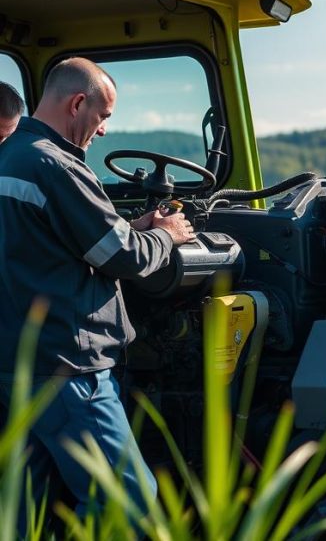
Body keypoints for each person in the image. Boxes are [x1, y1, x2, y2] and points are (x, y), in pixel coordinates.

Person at [0, 57, 195, 528]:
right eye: (103, 116)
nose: (103, 130)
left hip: (17, 367)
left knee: (27, 510)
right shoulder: (56, 165)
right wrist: (167, 234)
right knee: (128, 505)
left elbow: (51, 244)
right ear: (78, 103)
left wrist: (133, 228)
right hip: (70, 369)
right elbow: (123, 257)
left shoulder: (11, 156)